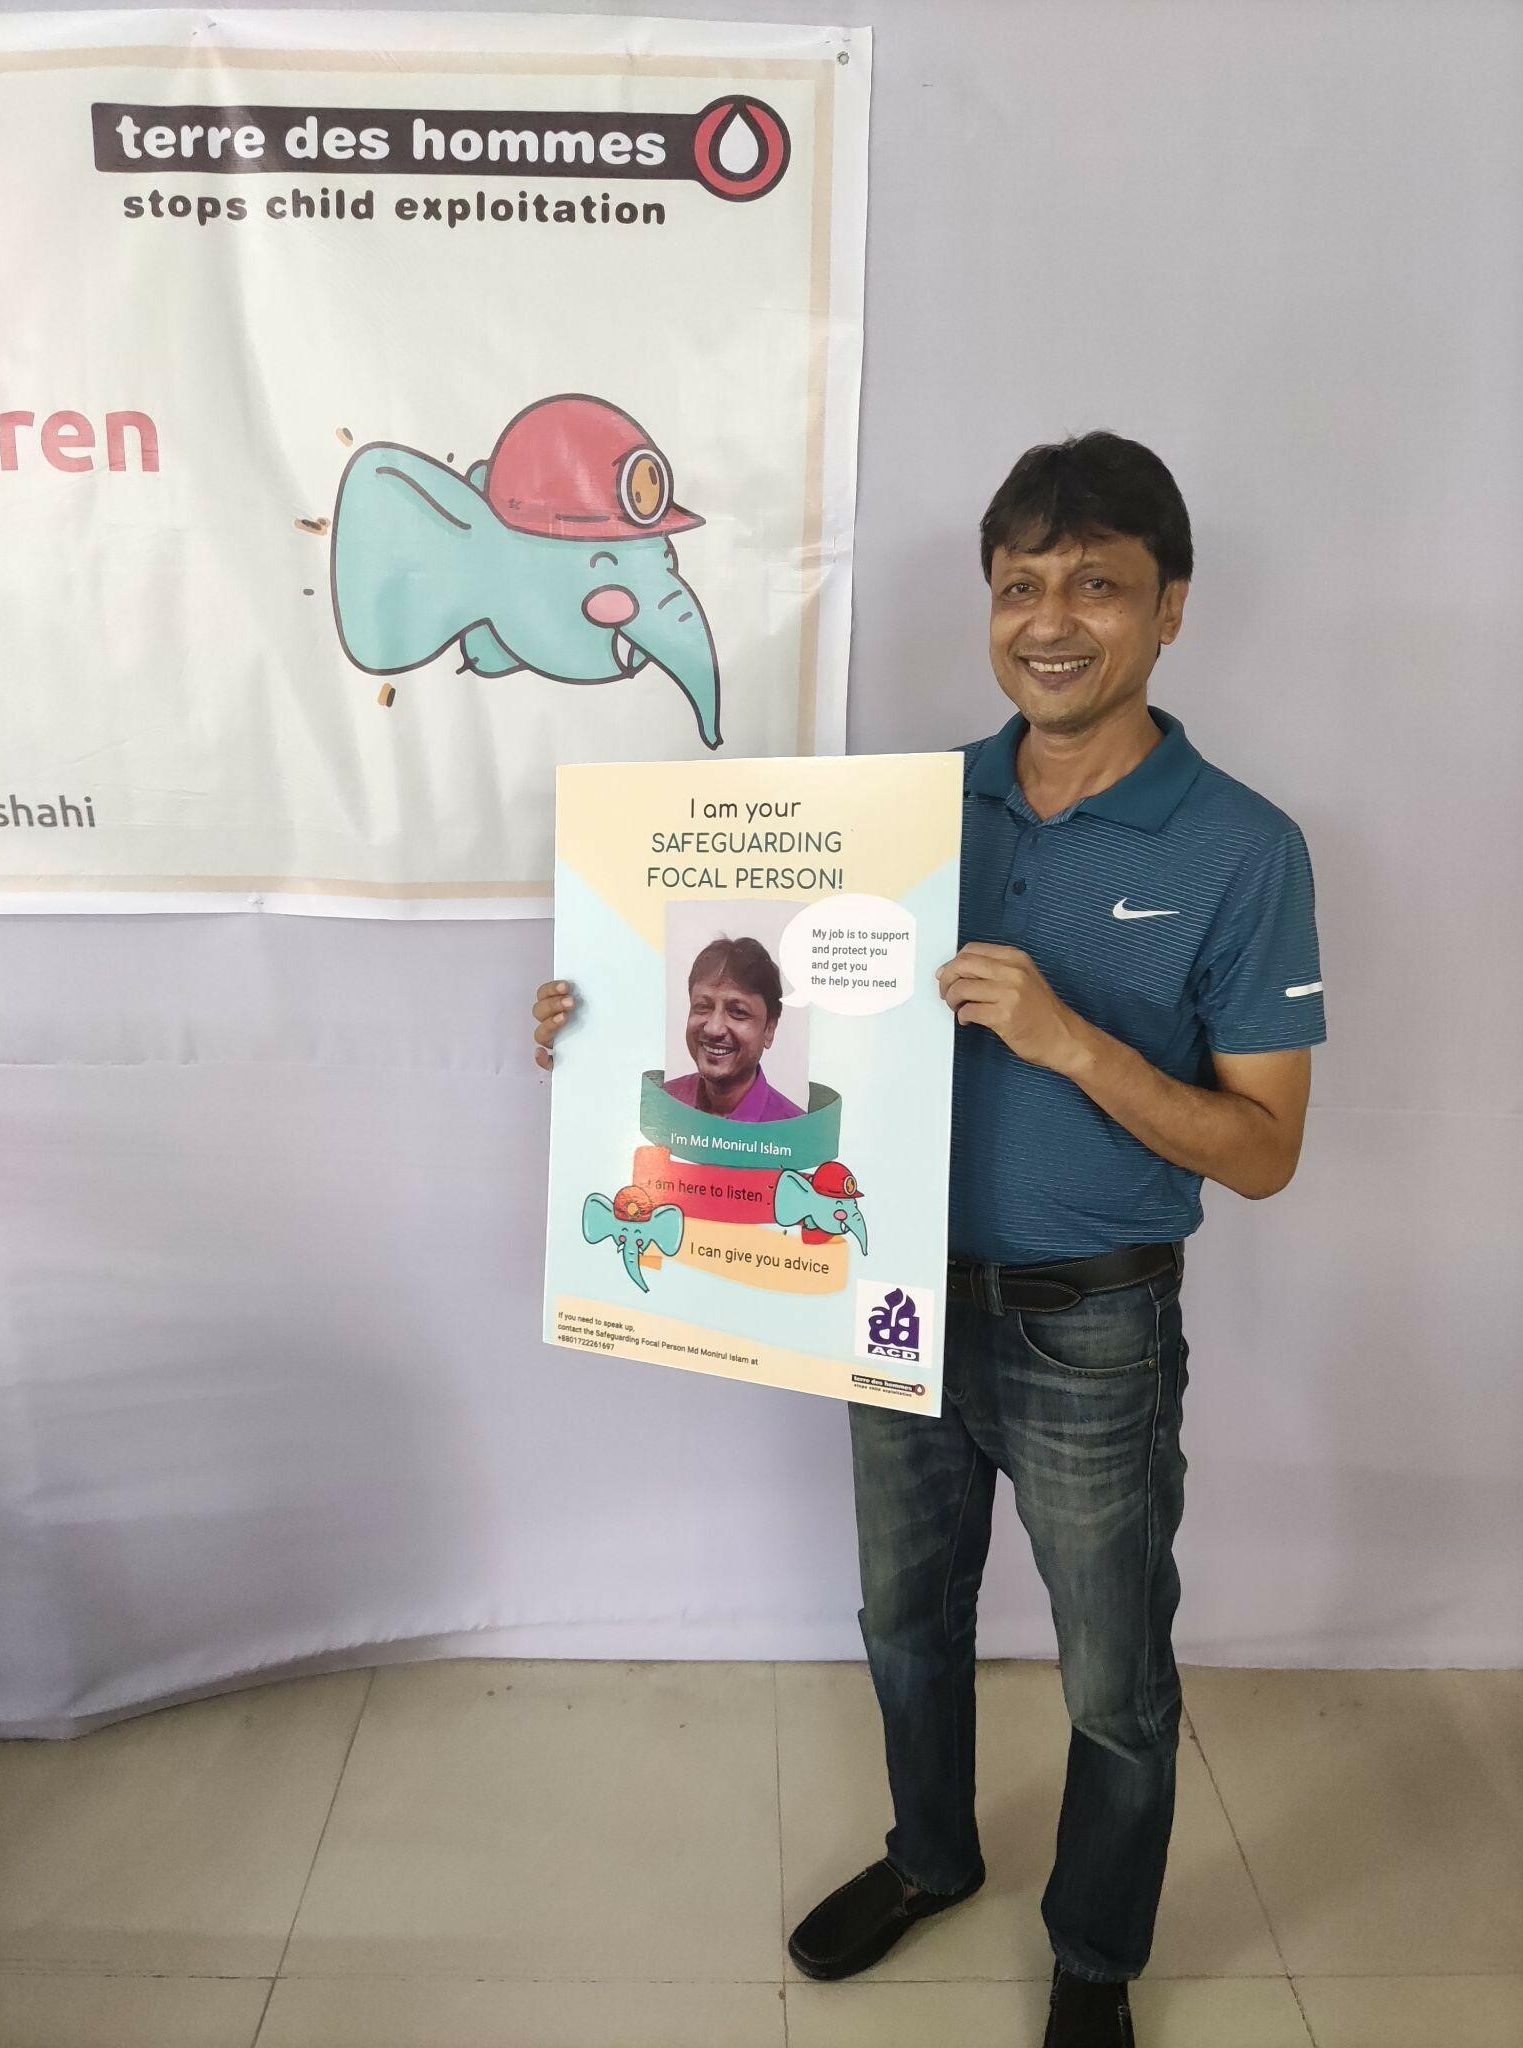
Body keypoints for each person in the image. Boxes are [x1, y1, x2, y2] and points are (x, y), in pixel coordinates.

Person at [533, 431, 1325, 2048]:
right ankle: (931, 1853)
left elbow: (1265, 1150)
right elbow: (748, 1007)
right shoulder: (896, 813)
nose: (1050, 617)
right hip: (877, 1295)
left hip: (1090, 1325)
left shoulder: (1244, 846)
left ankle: (1095, 1948)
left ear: (1170, 607)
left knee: (1114, 1676)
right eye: (1019, 582)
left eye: (1095, 583)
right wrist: (600, 1006)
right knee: (903, 1620)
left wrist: (1075, 1041)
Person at [661, 934, 804, 1122]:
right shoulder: (663, 1105)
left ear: (769, 1029)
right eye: (702, 1007)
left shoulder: (795, 1132)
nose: (713, 1028)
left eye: (737, 1011)